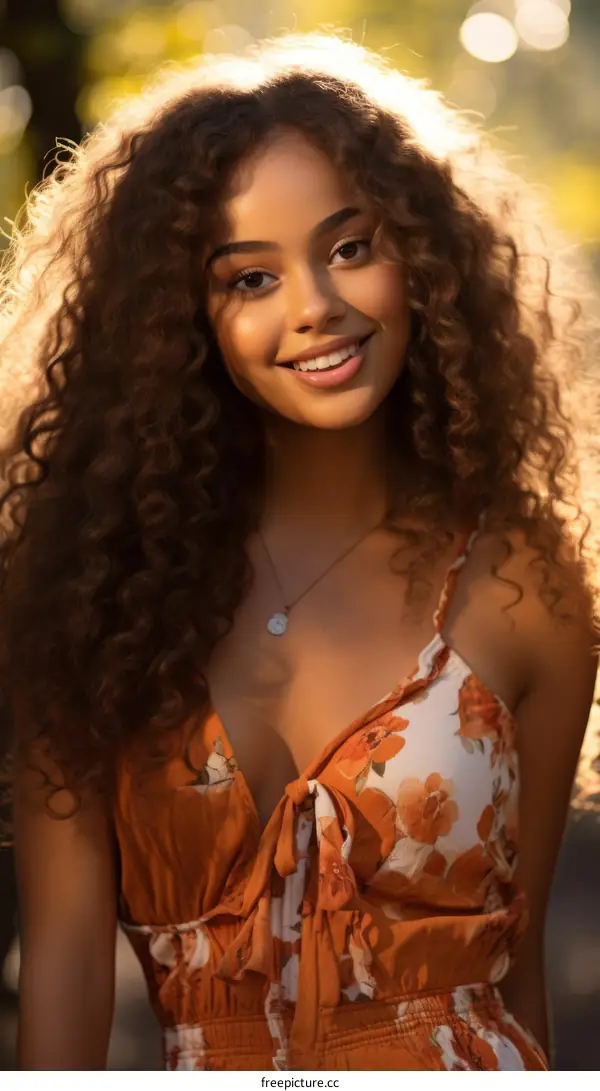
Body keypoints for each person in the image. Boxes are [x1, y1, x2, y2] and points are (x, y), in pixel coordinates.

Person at [0, 30, 598, 1073]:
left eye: (350, 247)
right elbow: (62, 966)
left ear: (424, 259)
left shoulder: (525, 583)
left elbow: (517, 964)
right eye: (249, 278)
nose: (316, 305)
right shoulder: (85, 593)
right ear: (182, 319)